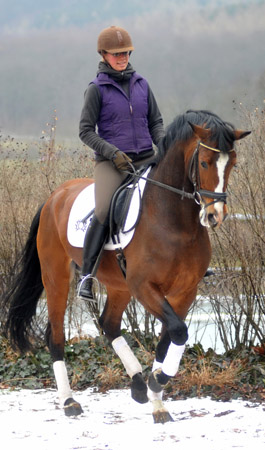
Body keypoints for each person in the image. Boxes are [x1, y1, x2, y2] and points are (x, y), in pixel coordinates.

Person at [78, 25, 165, 301]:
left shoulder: (142, 84)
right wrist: (111, 152)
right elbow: (85, 131)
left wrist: (163, 144)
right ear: (103, 55)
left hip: (145, 157)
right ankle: (86, 276)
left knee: (174, 194)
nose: (122, 57)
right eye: (116, 54)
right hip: (111, 162)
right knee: (103, 209)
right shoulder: (96, 89)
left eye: (125, 52)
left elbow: (156, 122)